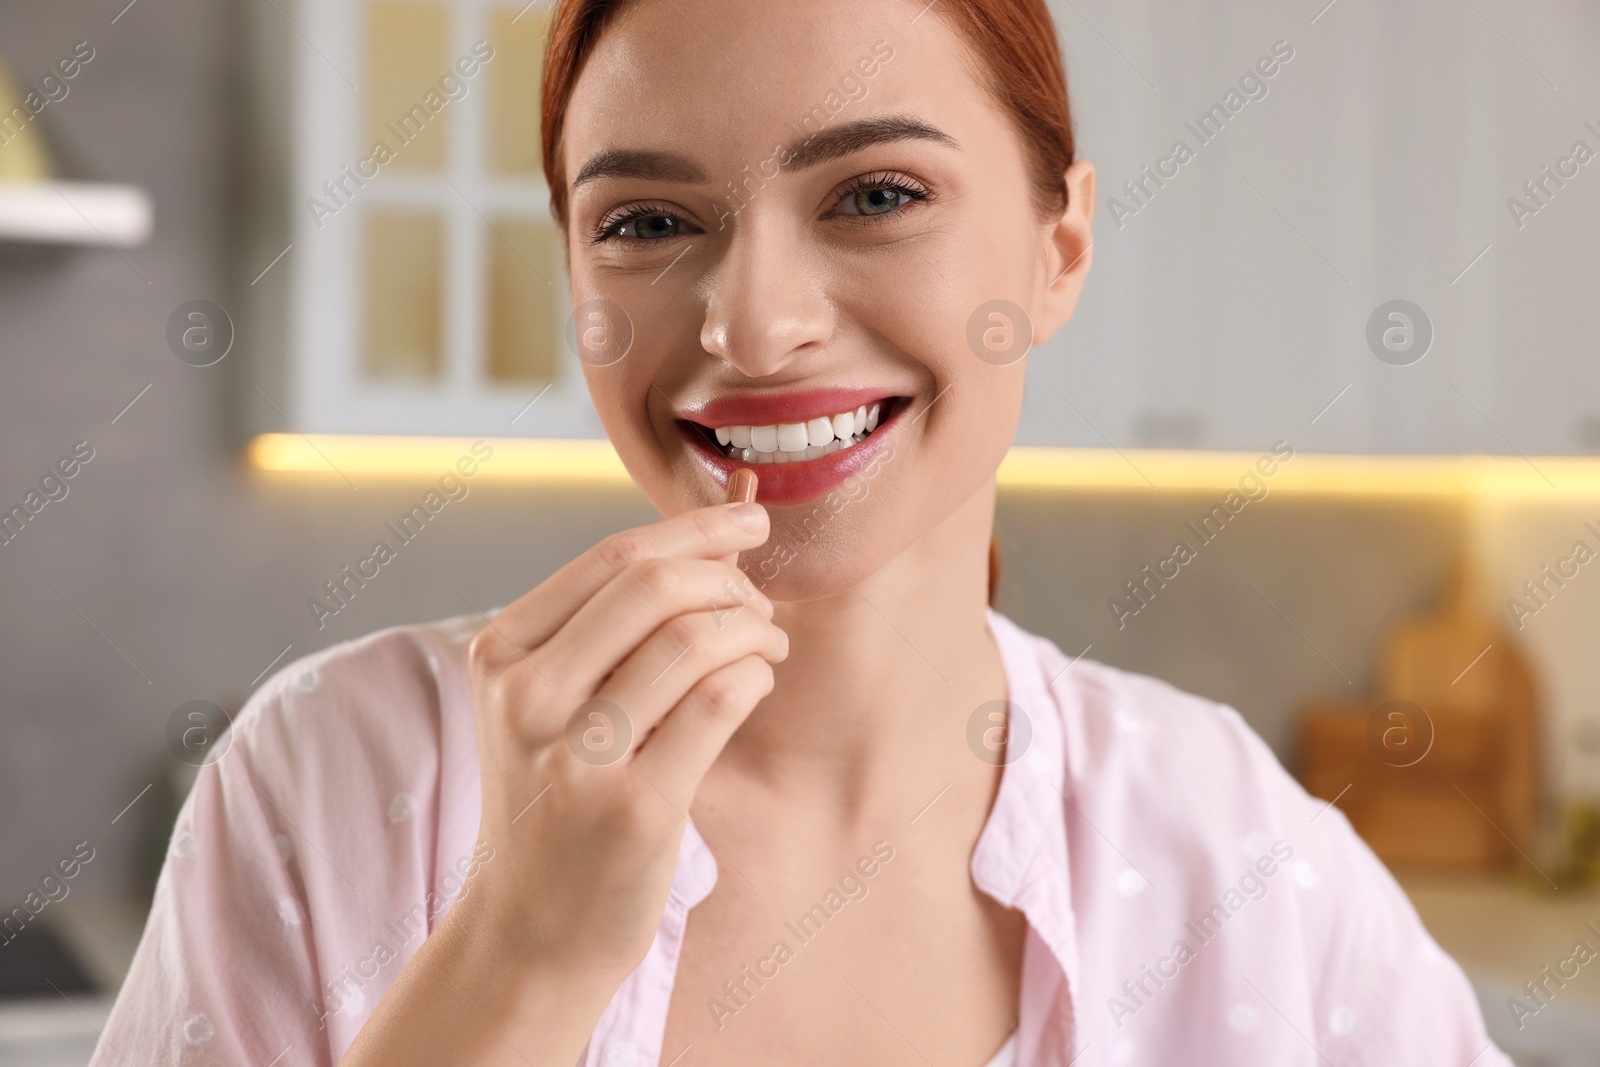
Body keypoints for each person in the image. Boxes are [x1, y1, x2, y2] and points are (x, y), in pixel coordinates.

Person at [94, 0, 1511, 1064]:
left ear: (1057, 247)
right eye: (647, 219)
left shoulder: (1241, 847)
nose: (754, 323)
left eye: (877, 195)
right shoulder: (330, 780)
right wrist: (523, 952)